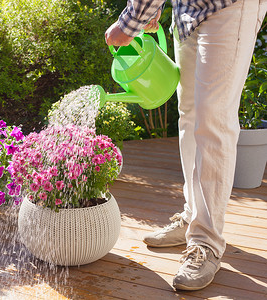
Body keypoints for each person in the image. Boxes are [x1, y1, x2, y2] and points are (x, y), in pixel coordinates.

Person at [105, 0, 266, 291]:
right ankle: (192, 215)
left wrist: (131, 22)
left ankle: (206, 242)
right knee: (190, 114)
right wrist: (152, 10)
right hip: (188, 11)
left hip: (229, 7)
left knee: (213, 120)